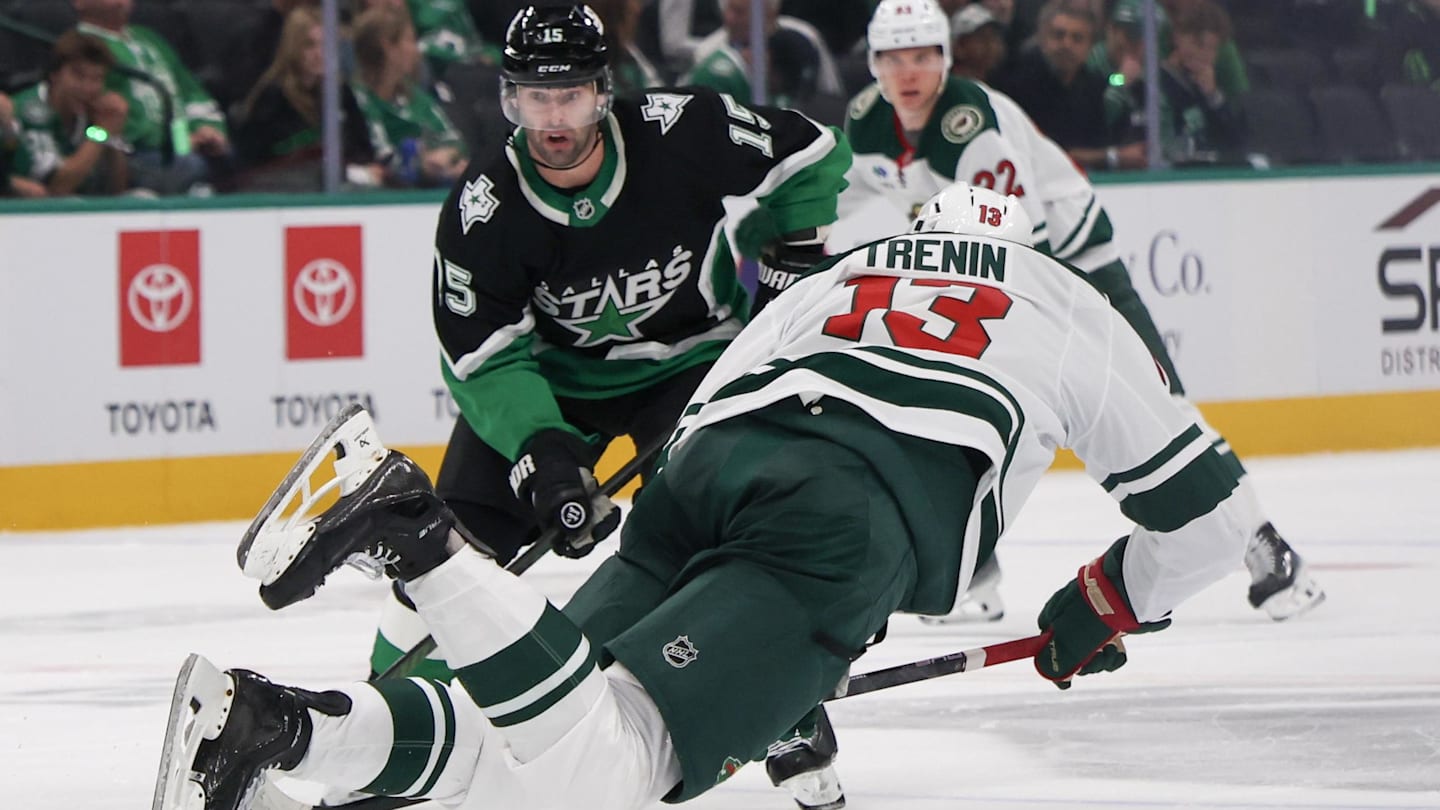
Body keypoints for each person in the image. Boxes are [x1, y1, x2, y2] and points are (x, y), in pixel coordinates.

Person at [152, 183, 1257, 810]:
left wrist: (746, 638)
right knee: (609, 768)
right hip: (843, 519)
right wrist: (1110, 601)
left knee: (530, 736)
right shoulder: (1058, 295)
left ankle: (268, 732)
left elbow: (718, 388)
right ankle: (417, 533)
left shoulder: (848, 269)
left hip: (714, 467)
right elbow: (1211, 521)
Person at [358, 3, 850, 807]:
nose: (554, 121)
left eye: (572, 97)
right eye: (533, 99)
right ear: (510, 101)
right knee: (443, 557)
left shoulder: (679, 128)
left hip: (693, 367)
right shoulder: (484, 212)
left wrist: (792, 260)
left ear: (603, 93)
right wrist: (543, 453)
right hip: (558, 389)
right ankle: (382, 726)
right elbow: (483, 361)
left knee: (720, 540)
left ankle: (787, 702)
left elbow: (810, 153)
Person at [837, 0, 1322, 625]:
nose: (910, 72)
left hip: (1074, 274)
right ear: (873, 63)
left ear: (947, 59)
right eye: (894, 58)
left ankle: (1265, 546)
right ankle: (972, 576)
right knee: (954, 417)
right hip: (983, 279)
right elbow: (843, 202)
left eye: (924, 56)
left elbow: (1025, 246)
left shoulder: (973, 125)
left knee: (1162, 407)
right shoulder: (866, 120)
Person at [73, 0, 233, 193]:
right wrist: (179, 143)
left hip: (184, 149)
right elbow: (99, 127)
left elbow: (190, 90)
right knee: (191, 167)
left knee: (232, 157)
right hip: (130, 156)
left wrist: (207, 128)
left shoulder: (149, 39)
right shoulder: (80, 46)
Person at [233, 6, 382, 191]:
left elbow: (363, 149)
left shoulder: (340, 94)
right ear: (293, 47)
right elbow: (260, 161)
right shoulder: (272, 99)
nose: (320, 53)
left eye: (325, 44)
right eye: (310, 45)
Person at [350, 5, 468, 187]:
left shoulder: (414, 96)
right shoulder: (359, 98)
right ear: (388, 47)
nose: (415, 50)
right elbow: (381, 153)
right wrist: (422, 164)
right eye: (410, 40)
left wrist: (447, 156)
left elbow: (453, 138)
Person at [9, 30, 130, 196]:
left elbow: (117, 188)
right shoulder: (31, 111)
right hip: (19, 210)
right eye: (79, 76)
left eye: (97, 79)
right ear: (55, 74)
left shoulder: (97, 113)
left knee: (143, 197)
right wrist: (101, 133)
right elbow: (58, 186)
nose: (88, 88)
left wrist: (113, 134)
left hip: (77, 206)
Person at [681, 0, 843, 109]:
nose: (730, 19)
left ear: (770, 13)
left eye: (740, 12)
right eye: (728, 10)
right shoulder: (707, 51)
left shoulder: (805, 37)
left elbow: (830, 94)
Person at [950, 3, 1008, 83]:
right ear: (958, 46)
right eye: (982, 38)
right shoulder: (941, 90)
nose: (992, 46)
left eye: (994, 38)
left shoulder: (994, 93)